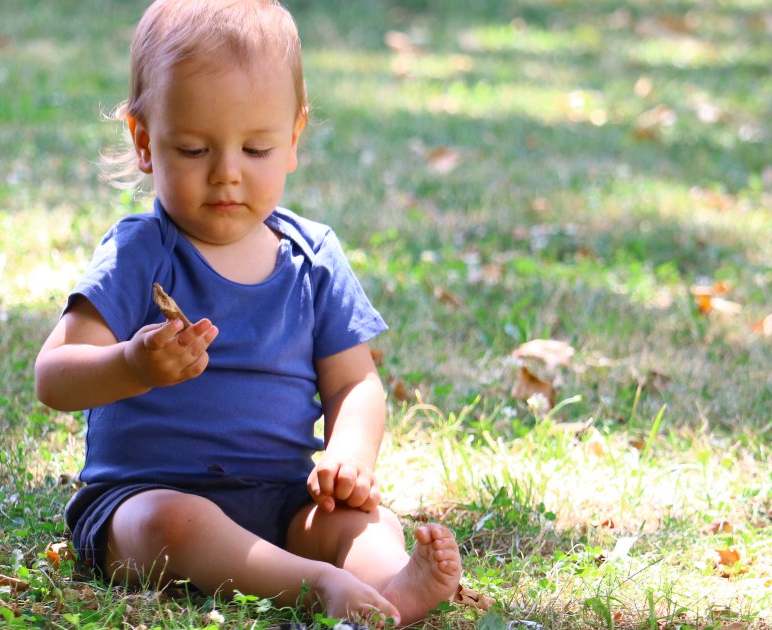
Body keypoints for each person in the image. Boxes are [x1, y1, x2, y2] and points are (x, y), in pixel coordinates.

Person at [34, 0, 461, 624]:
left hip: (284, 503)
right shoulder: (140, 253)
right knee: (172, 524)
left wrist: (349, 459)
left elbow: (354, 381)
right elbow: (54, 375)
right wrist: (132, 364)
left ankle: (390, 585)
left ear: (292, 140)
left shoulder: (313, 259)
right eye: (195, 149)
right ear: (145, 141)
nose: (227, 175)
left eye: (256, 149)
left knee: (362, 522)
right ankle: (314, 586)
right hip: (145, 500)